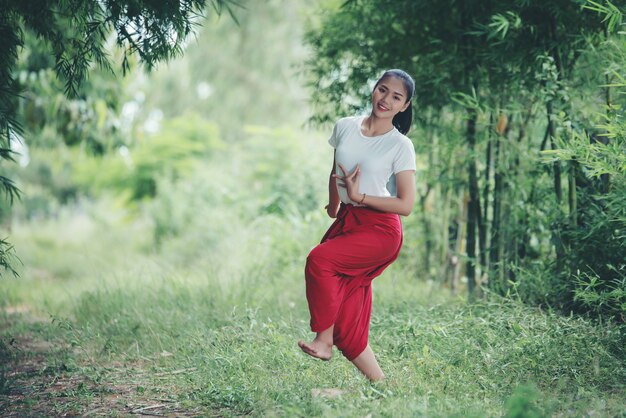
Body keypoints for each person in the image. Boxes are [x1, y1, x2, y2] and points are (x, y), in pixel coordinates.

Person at [298, 69, 417, 381]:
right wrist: (335, 205)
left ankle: (323, 341)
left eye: (396, 97)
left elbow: (405, 205)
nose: (386, 99)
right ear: (374, 90)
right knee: (348, 321)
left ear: (404, 106)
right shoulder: (346, 127)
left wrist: (359, 196)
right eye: (382, 90)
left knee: (320, 259)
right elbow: (335, 170)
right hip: (350, 222)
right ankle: (382, 387)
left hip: (381, 231)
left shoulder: (400, 145)